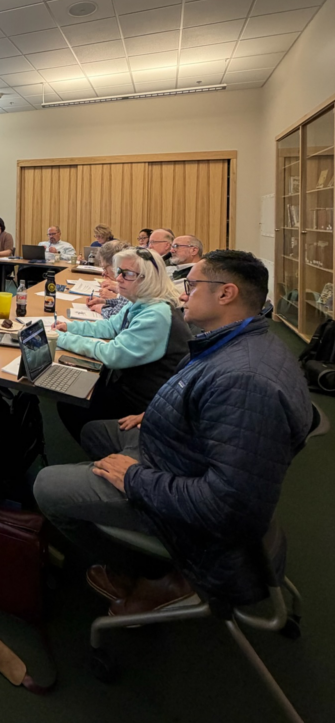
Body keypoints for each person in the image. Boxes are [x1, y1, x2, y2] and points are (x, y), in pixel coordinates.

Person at [34, 251, 312, 614]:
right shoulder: (239, 341)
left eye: (192, 286)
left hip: (175, 480)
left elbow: (228, 506)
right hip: (176, 450)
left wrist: (134, 479)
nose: (182, 294)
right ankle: (114, 512)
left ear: (225, 294)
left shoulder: (245, 381)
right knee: (95, 433)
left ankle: (149, 572)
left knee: (45, 485)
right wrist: (156, 411)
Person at [54, 248, 191, 444]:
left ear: (148, 278)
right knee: (79, 387)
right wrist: (69, 327)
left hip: (145, 402)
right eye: (119, 272)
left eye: (127, 274)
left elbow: (112, 355)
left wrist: (61, 339)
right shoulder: (143, 301)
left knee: (70, 403)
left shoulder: (157, 314)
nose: (118, 278)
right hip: (132, 383)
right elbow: (111, 326)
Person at [86, 240, 129, 318]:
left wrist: (102, 308)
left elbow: (118, 316)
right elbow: (123, 302)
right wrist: (105, 301)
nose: (104, 273)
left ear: (115, 264)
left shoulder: (130, 280)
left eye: (105, 268)